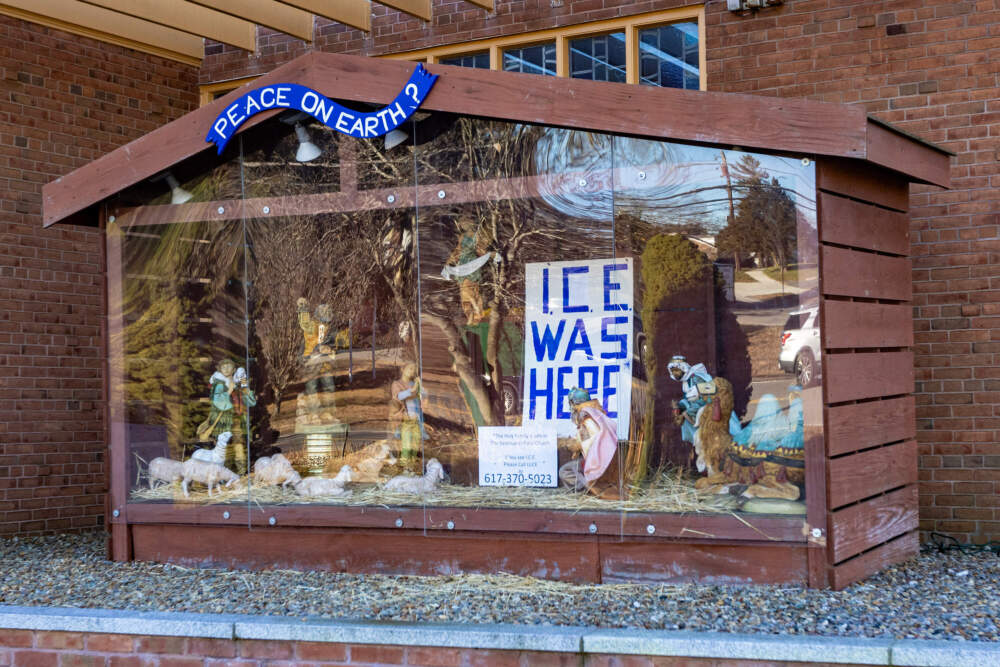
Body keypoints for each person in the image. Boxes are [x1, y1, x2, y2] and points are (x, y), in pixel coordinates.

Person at [558, 387, 623, 500]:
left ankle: (588, 490)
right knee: (572, 468)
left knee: (565, 471)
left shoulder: (586, 417)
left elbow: (593, 441)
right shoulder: (595, 413)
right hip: (603, 457)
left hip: (600, 460)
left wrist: (576, 445)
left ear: (574, 403)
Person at [667, 355, 713, 446]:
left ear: (683, 368)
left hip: (708, 412)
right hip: (696, 412)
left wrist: (686, 414)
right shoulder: (685, 381)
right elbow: (687, 400)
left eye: (676, 370)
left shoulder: (695, 378)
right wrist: (678, 407)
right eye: (673, 371)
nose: (675, 373)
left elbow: (705, 398)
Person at [390, 363, 426, 466]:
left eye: (414, 369)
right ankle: (405, 467)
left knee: (415, 445)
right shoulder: (397, 384)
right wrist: (413, 389)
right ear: (403, 369)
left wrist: (420, 387)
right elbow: (398, 396)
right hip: (405, 420)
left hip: (416, 419)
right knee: (406, 445)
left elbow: (423, 396)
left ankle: (412, 467)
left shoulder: (413, 383)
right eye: (410, 368)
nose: (412, 371)